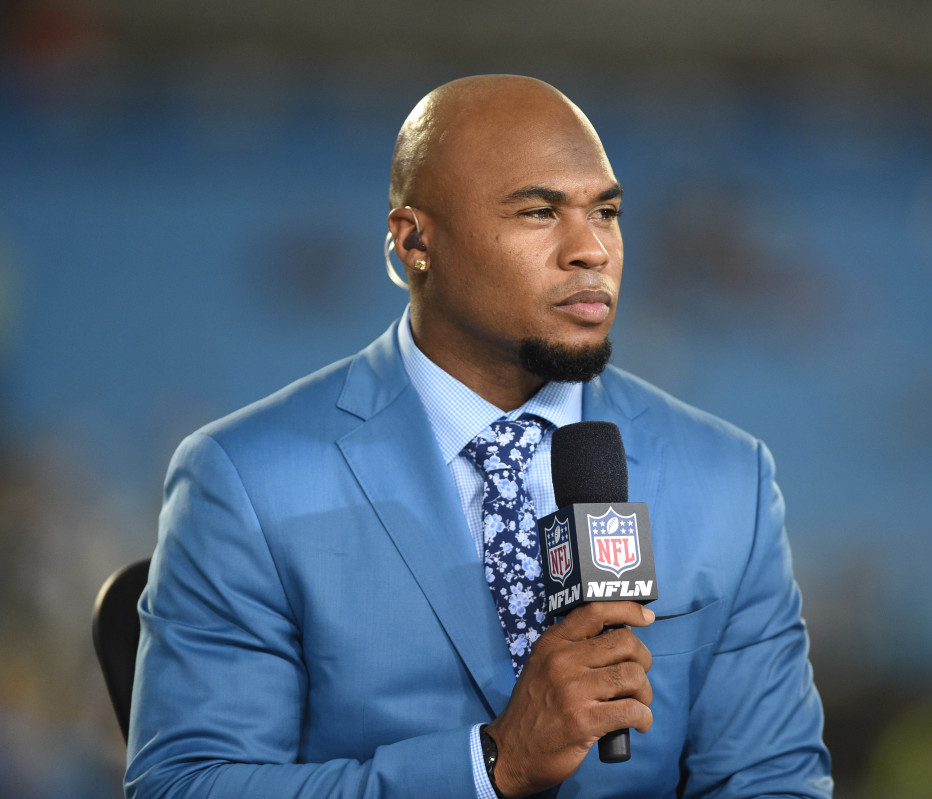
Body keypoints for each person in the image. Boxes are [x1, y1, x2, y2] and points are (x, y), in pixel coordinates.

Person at [126, 75, 833, 798]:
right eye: (538, 211)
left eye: (607, 211)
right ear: (415, 241)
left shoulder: (728, 478)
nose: (591, 250)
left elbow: (773, 781)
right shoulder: (247, 479)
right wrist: (492, 765)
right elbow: (187, 787)